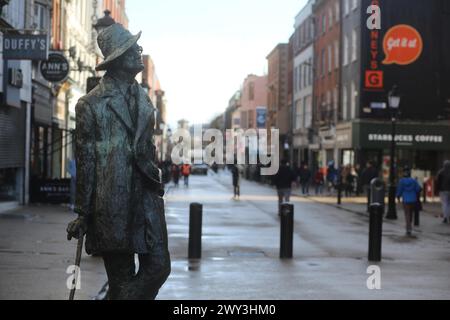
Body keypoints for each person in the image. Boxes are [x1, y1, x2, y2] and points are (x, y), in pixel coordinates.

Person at [66, 24, 170, 300]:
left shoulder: (144, 98)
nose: (139, 51)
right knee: (121, 279)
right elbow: (86, 161)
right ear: (118, 59)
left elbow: (146, 148)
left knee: (160, 267)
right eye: (133, 48)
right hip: (112, 202)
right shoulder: (91, 105)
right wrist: (83, 212)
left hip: (146, 196)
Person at [396, 167, 422, 236]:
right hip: (413, 199)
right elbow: (418, 189)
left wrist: (398, 197)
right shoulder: (413, 181)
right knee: (411, 213)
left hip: (406, 199)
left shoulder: (401, 181)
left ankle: (408, 228)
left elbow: (399, 190)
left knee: (407, 214)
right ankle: (410, 223)